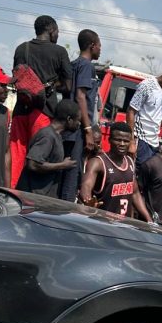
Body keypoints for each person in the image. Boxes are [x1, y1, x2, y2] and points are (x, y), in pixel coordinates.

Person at [10, 16, 72, 188]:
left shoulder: (21, 48)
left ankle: (12, 194)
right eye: (57, 32)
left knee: (16, 157)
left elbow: (17, 77)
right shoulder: (59, 52)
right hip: (43, 112)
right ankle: (31, 198)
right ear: (51, 30)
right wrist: (53, 84)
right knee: (39, 157)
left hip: (21, 110)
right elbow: (68, 86)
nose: (58, 35)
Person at [59, 29, 102, 202]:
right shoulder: (86, 66)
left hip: (69, 127)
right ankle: (66, 210)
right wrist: (88, 129)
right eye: (99, 46)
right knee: (72, 173)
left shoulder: (73, 64)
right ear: (92, 46)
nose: (100, 50)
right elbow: (80, 96)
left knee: (67, 170)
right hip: (78, 128)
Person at [80, 121, 151, 219]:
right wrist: (88, 201)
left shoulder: (130, 161)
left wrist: (149, 219)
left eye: (126, 141)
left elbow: (135, 193)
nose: (122, 144)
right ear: (109, 140)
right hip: (103, 222)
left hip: (124, 224)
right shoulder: (98, 163)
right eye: (118, 140)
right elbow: (86, 185)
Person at [16, 99, 79, 198]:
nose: (79, 123)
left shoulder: (57, 136)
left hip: (41, 197)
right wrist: (62, 165)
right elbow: (33, 164)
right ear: (69, 119)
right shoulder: (48, 136)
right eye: (78, 120)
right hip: (32, 198)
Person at [126, 62, 162, 166]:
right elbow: (131, 111)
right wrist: (131, 142)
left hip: (154, 143)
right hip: (140, 140)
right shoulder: (147, 85)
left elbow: (160, 117)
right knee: (139, 172)